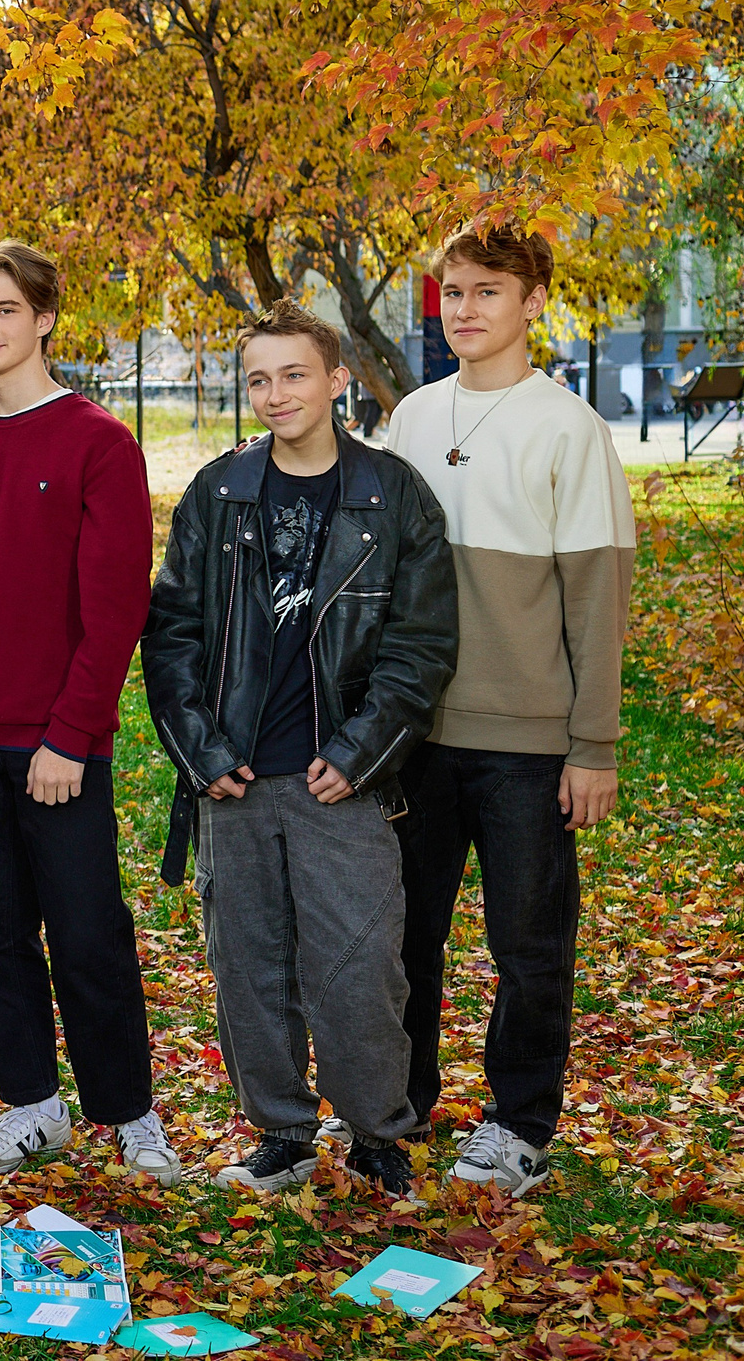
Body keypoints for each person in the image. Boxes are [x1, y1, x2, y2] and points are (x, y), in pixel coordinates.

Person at [142, 301, 457, 1198]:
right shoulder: (220, 491)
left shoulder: (391, 495)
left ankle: (376, 1134)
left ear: (335, 381)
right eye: (258, 378)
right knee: (247, 966)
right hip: (235, 780)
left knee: (360, 967)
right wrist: (200, 751)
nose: (275, 394)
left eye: (293, 374)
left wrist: (362, 750)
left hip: (342, 784)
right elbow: (170, 636)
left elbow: (423, 643)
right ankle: (280, 1131)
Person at [0, 241, 182, 1186]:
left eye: (3, 310)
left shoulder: (98, 442)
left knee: (85, 933)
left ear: (44, 318)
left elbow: (115, 612)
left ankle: (131, 1114)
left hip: (55, 745)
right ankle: (31, 1105)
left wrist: (71, 734)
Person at [381, 222, 636, 1197]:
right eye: (451, 292)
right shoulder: (410, 417)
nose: (465, 309)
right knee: (403, 938)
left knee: (528, 945)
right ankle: (394, 1112)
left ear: (533, 303)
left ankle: (519, 1123)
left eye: (487, 291)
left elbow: (596, 600)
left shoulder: (566, 428)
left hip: (527, 747)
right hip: (414, 738)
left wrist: (592, 745)